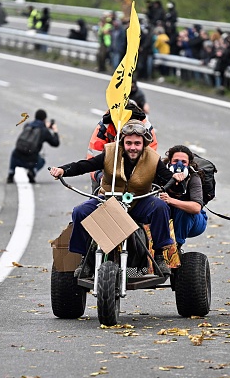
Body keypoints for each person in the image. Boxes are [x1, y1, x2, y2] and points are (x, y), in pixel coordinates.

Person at [49, 119, 185, 278]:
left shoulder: (153, 159)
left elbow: (172, 184)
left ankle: (160, 257)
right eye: (128, 143)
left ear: (144, 144)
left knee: (161, 207)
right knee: (79, 212)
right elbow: (84, 165)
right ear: (122, 142)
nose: (133, 147)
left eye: (137, 143)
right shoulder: (110, 153)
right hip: (108, 201)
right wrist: (63, 171)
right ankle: (84, 259)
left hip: (139, 202)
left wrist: (178, 180)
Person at [86, 100, 157, 191]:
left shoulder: (146, 128)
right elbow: (93, 156)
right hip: (107, 167)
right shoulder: (105, 126)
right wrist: (100, 177)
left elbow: (151, 158)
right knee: (97, 199)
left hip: (137, 170)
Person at [160, 145, 207, 251]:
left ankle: (176, 247)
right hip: (167, 216)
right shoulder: (160, 174)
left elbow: (196, 208)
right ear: (169, 162)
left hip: (194, 221)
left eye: (183, 162)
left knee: (184, 210)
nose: (179, 165)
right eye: (175, 161)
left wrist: (170, 200)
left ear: (189, 164)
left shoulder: (194, 177)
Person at [7, 109, 59, 184]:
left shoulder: (27, 125)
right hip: (31, 161)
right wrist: (55, 131)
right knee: (42, 160)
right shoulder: (44, 131)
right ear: (45, 119)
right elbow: (55, 143)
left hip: (17, 157)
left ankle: (11, 173)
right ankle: (32, 172)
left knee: (14, 153)